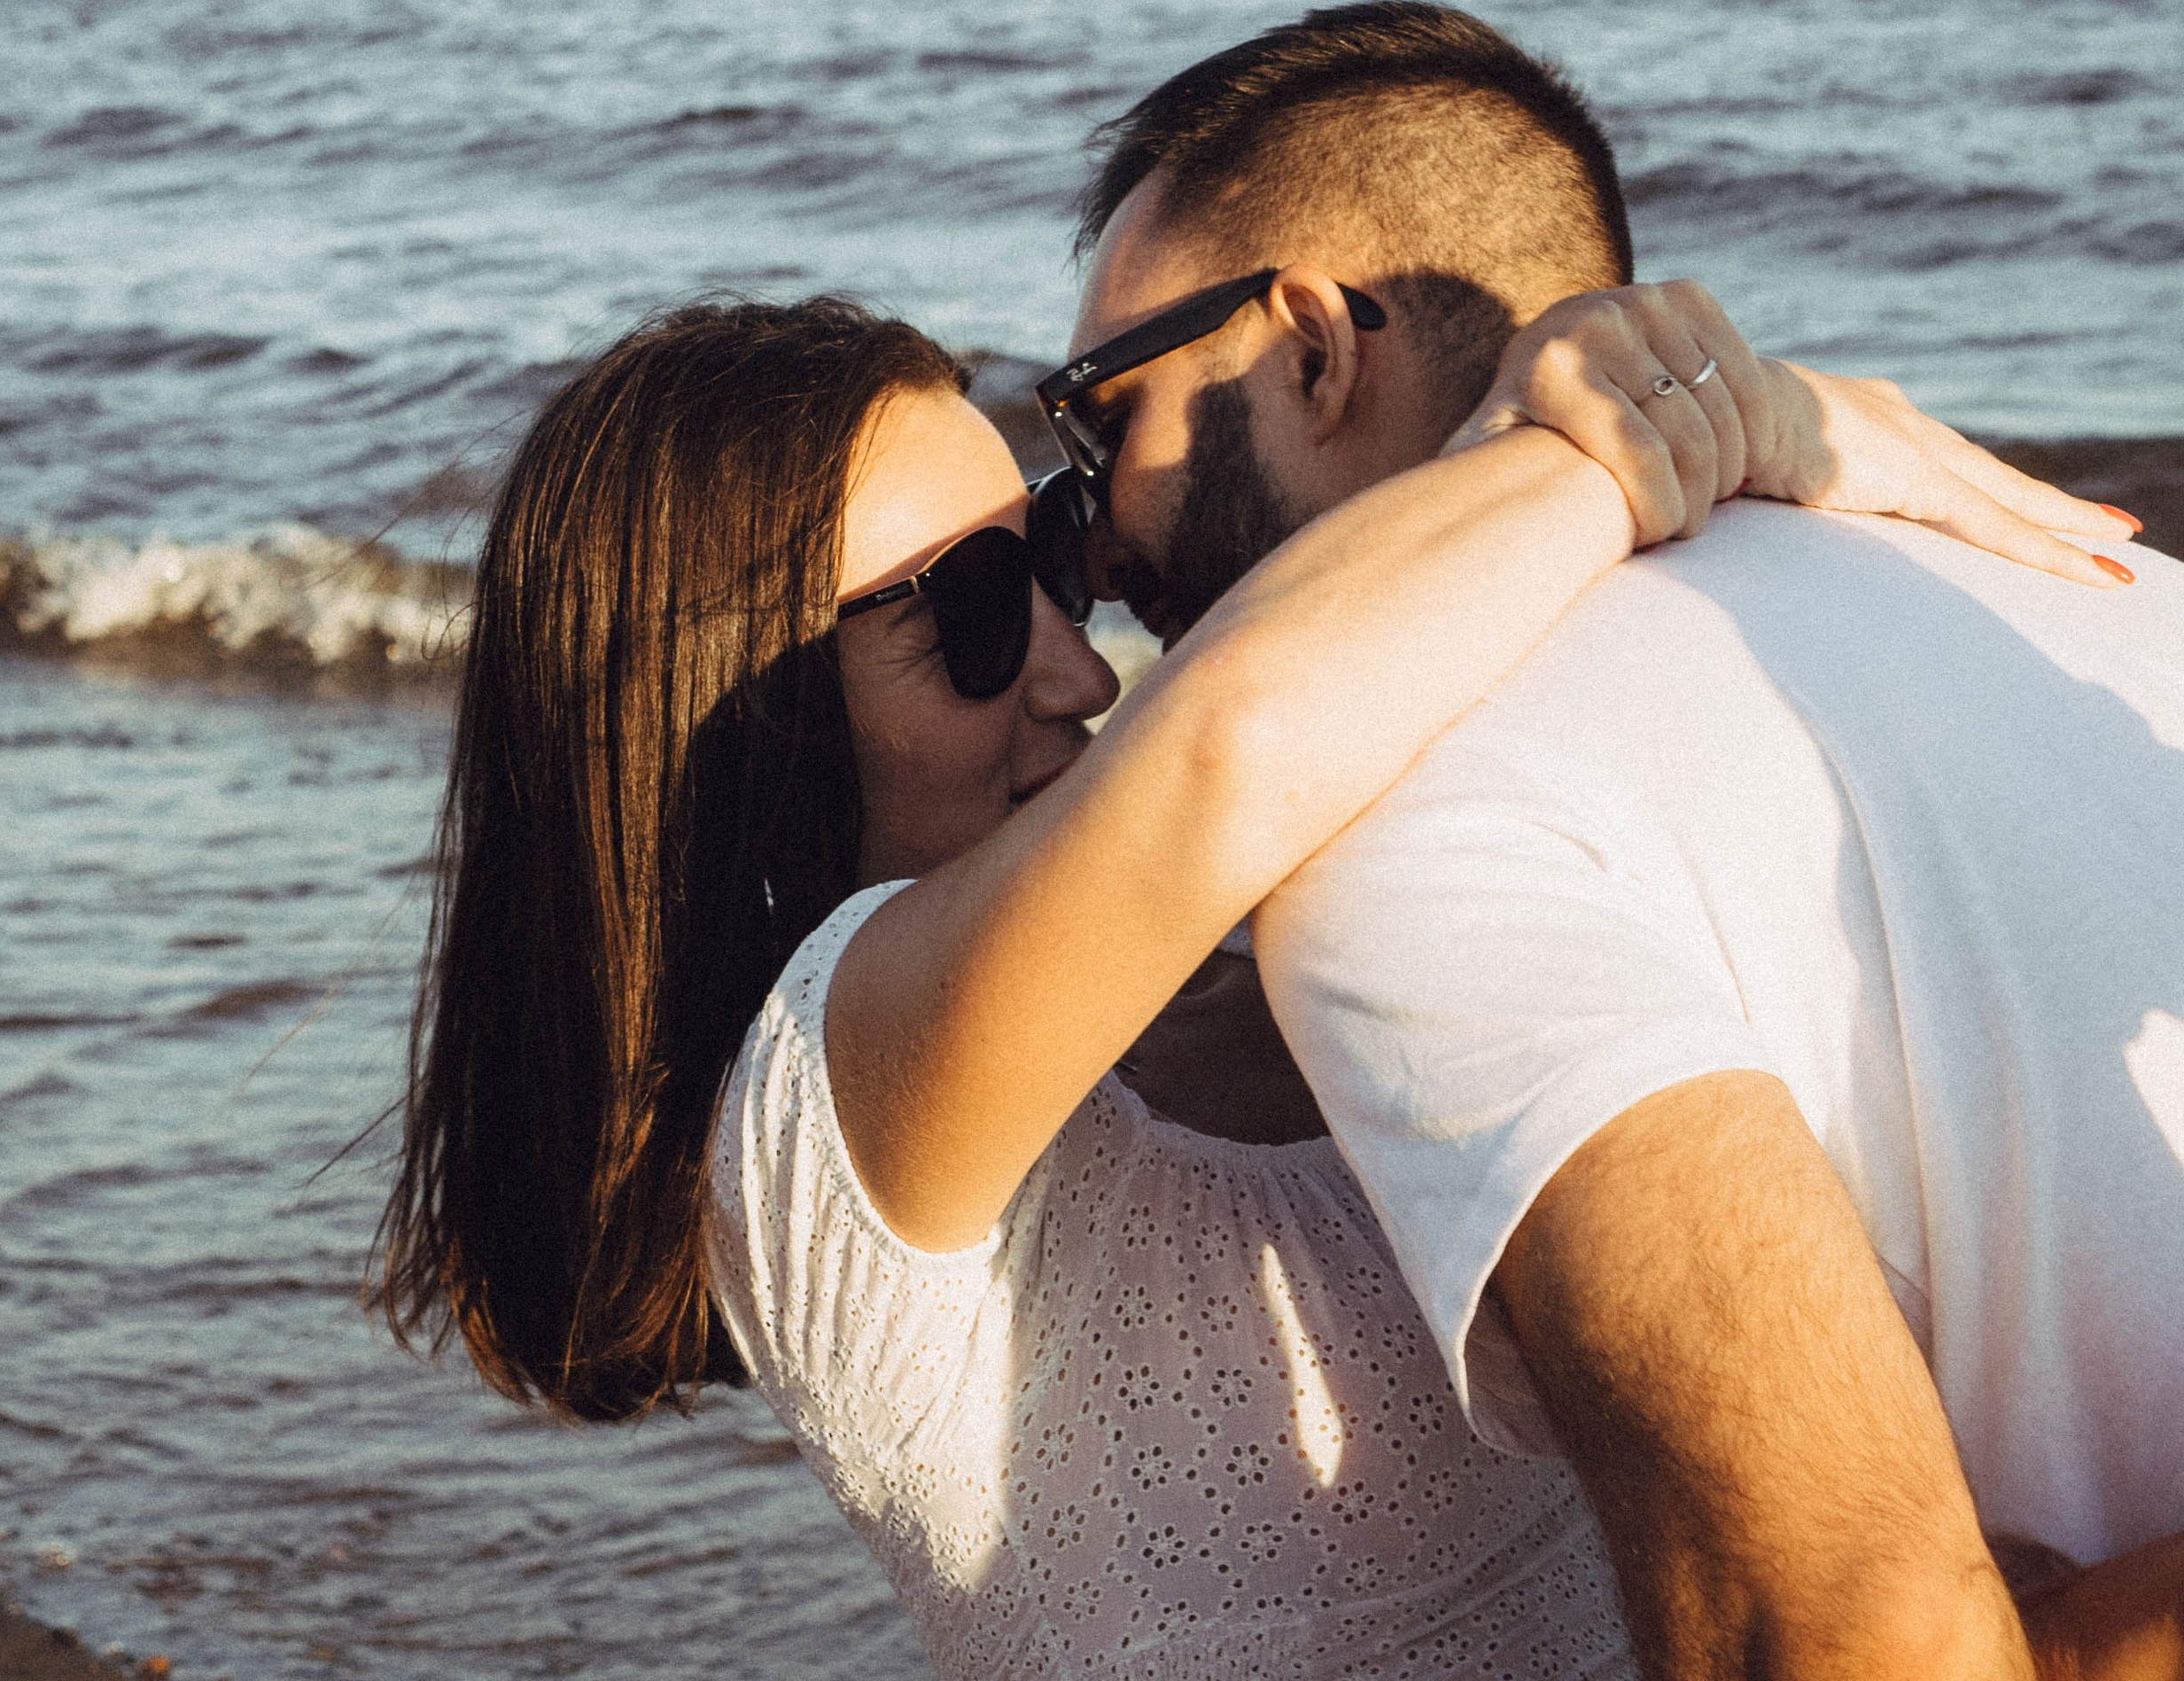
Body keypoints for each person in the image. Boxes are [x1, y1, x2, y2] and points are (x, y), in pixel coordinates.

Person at [373, 274, 2156, 1678]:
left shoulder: (1299, 968)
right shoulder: (816, 1120)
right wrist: (1693, 419)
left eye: (1057, 563)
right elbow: (1234, 743)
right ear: (720, 715)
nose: (1078, 675)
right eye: (981, 613)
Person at [1058, 0, 2184, 1681]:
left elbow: (1854, 1639)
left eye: (1102, 417)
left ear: (1311, 347)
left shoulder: (1416, 814)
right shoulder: (2080, 580)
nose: (1085, 542)